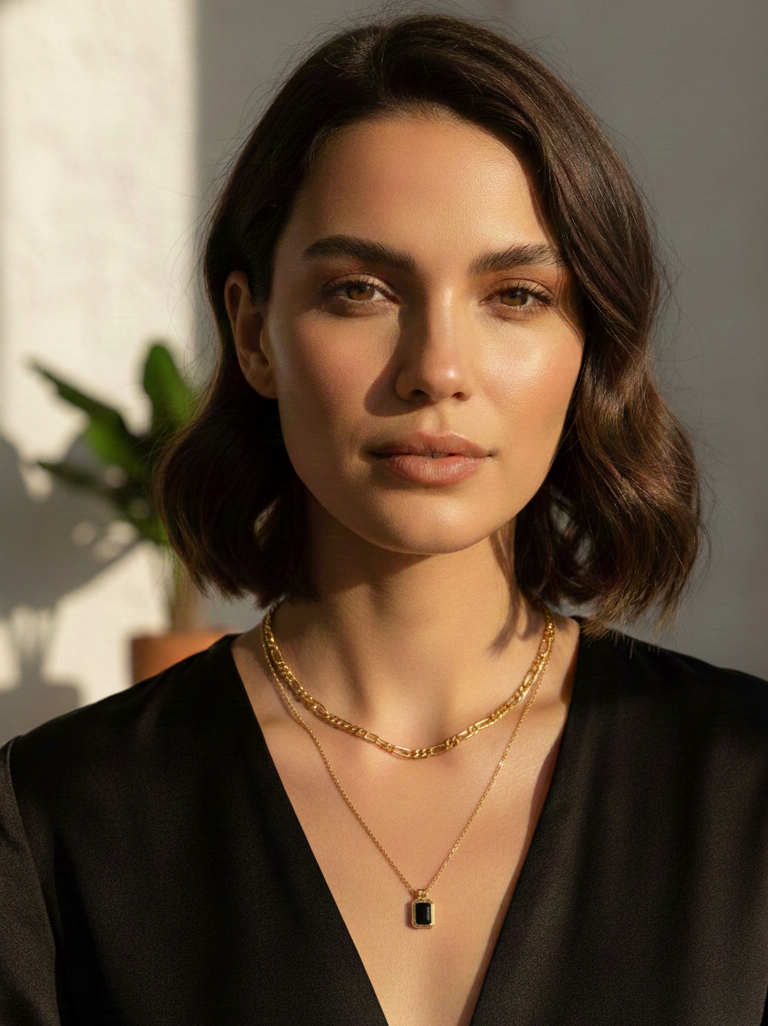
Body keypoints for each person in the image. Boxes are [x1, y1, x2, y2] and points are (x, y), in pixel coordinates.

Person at [1, 13, 767, 1026]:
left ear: (590, 342)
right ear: (253, 333)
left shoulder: (746, 784)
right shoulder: (59, 817)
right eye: (360, 290)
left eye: (515, 295)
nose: (436, 370)